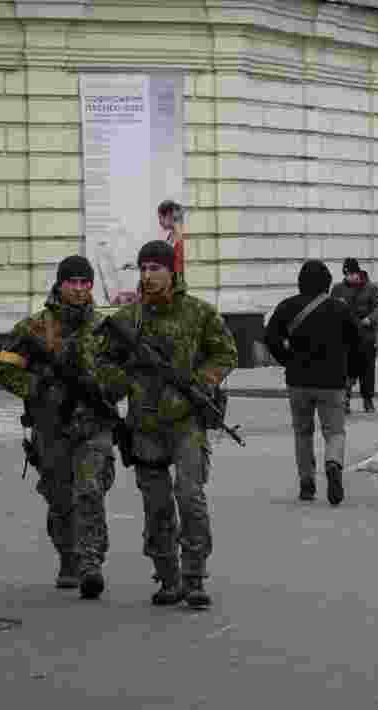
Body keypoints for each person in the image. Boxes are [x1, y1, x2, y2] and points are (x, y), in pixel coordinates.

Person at [96, 240, 239, 609]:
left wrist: (201, 382)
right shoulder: (129, 320)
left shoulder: (198, 313)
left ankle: (194, 576)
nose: (148, 276)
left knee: (190, 497)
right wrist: (127, 379)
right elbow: (102, 363)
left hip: (186, 421)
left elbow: (226, 353)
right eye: (143, 269)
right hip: (145, 423)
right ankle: (167, 576)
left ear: (171, 270)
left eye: (155, 268)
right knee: (156, 505)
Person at [0, 255, 120, 600]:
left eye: (85, 283)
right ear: (60, 284)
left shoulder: (106, 328)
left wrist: (103, 387)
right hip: (52, 428)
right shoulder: (34, 328)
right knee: (60, 498)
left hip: (93, 426)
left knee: (90, 490)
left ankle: (91, 564)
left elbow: (127, 370)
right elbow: (5, 369)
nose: (79, 289)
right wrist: (40, 386)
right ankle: (69, 556)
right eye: (72, 282)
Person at [264, 260, 360, 505]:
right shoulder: (340, 309)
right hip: (333, 381)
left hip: (298, 380)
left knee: (302, 432)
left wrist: (287, 360)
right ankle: (333, 463)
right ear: (328, 283)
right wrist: (351, 373)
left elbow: (270, 337)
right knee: (335, 431)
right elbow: (357, 342)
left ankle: (307, 483)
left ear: (300, 282)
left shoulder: (287, 307)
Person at [332, 257, 378, 414]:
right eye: (347, 274)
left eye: (353, 274)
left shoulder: (371, 288)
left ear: (358, 273)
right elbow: (331, 307)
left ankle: (368, 400)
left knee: (367, 369)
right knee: (345, 368)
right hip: (346, 336)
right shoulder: (338, 289)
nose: (350, 277)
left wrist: (370, 318)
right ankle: (345, 399)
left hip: (365, 335)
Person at [157, 200, 186, 278]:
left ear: (169, 215)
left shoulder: (182, 237)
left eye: (160, 217)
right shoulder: (170, 236)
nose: (159, 222)